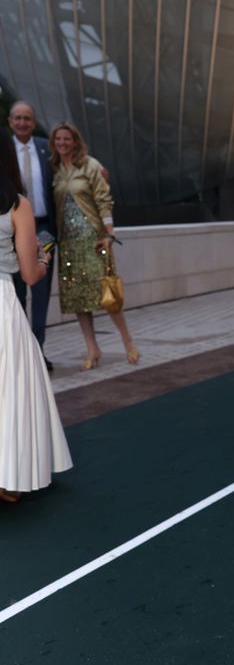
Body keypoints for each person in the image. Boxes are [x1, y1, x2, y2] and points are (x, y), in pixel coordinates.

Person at [0, 129, 72, 503]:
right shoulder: (18, 205)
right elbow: (29, 275)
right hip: (3, 304)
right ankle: (9, 481)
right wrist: (45, 257)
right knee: (11, 391)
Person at [49, 121, 139, 369]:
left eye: (67, 139)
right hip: (68, 244)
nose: (63, 143)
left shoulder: (91, 165)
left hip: (94, 240)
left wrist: (109, 233)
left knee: (107, 295)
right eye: (58, 140)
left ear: (75, 141)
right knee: (78, 299)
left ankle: (128, 341)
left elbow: (103, 200)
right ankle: (92, 348)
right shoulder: (54, 168)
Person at [8, 101, 56, 370]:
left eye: (27, 118)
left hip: (44, 228)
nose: (23, 123)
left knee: (41, 293)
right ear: (10, 122)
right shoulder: (5, 152)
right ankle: (20, 352)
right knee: (15, 294)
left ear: (34, 122)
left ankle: (38, 351)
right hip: (13, 230)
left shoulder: (44, 148)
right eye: (18, 118)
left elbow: (71, 164)